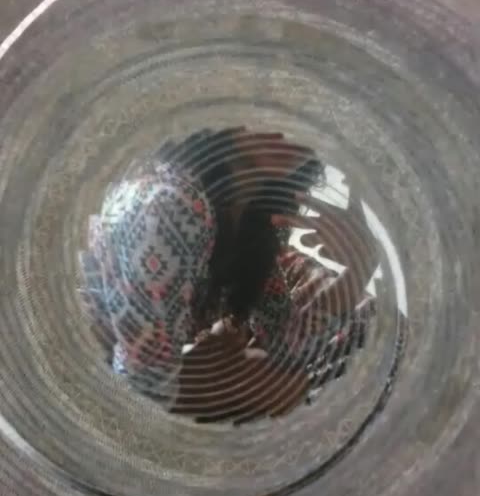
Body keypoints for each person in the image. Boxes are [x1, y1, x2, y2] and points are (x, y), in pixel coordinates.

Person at [78, 127, 377, 418]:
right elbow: (138, 390)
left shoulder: (254, 218)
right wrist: (234, 383)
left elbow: (283, 342)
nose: (286, 127)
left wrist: (361, 267)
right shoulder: (170, 203)